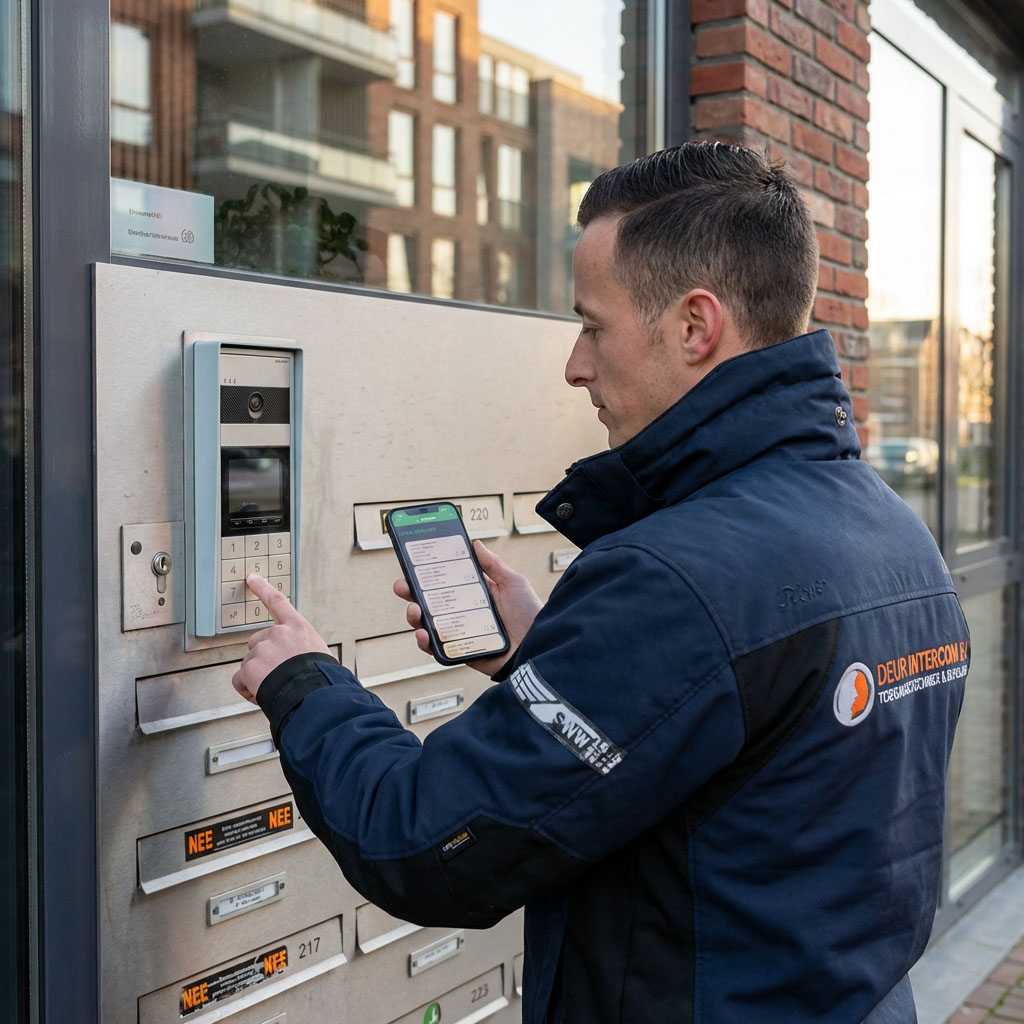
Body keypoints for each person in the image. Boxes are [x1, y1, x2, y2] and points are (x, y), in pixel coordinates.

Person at [233, 142, 968, 1023]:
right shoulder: (895, 533)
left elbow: (427, 844)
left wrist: (303, 684)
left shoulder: (677, 579)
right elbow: (744, 765)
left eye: (592, 325)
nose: (576, 365)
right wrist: (547, 659)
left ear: (695, 327)